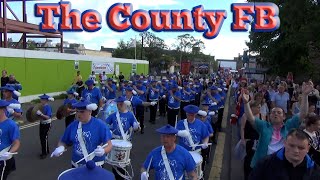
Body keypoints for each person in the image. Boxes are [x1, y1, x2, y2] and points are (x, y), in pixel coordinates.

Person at [242, 80, 313, 169]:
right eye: (273, 112)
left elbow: (303, 114)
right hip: (263, 165)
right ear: (269, 116)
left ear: (284, 117)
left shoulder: (289, 126)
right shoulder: (264, 126)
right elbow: (250, 118)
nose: (275, 114)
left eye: (279, 112)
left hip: (282, 165)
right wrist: (246, 103)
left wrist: (305, 95)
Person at [51, 99, 113, 168]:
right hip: (76, 166)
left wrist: (103, 150)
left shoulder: (100, 125)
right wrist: (61, 147)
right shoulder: (72, 126)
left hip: (95, 166)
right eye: (77, 111)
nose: (78, 114)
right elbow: (63, 141)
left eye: (82, 112)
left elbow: (109, 145)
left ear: (90, 111)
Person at [249, 129, 320, 179]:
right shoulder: (265, 164)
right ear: (285, 143)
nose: (296, 151)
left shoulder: (315, 171)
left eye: (301, 148)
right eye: (291, 145)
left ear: (308, 148)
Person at [105, 96, 140, 180]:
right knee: (115, 163)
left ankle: (122, 178)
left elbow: (138, 129)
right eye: (118, 104)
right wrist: (108, 131)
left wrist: (136, 127)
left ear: (125, 104)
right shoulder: (113, 115)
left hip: (125, 141)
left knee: (123, 163)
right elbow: (105, 124)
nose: (119, 105)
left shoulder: (130, 115)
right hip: (116, 141)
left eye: (121, 103)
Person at [0, 100, 20, 180]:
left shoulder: (11, 125)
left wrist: (9, 153)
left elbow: (16, 143)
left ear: (3, 110)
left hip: (3, 160)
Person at [36, 94, 55, 159]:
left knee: (44, 137)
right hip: (41, 123)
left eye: (42, 99)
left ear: (46, 100)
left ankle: (44, 153)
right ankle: (47, 150)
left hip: (47, 123)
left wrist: (41, 114)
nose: (41, 100)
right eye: (41, 99)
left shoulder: (48, 107)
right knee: (42, 137)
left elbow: (48, 117)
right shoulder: (41, 107)